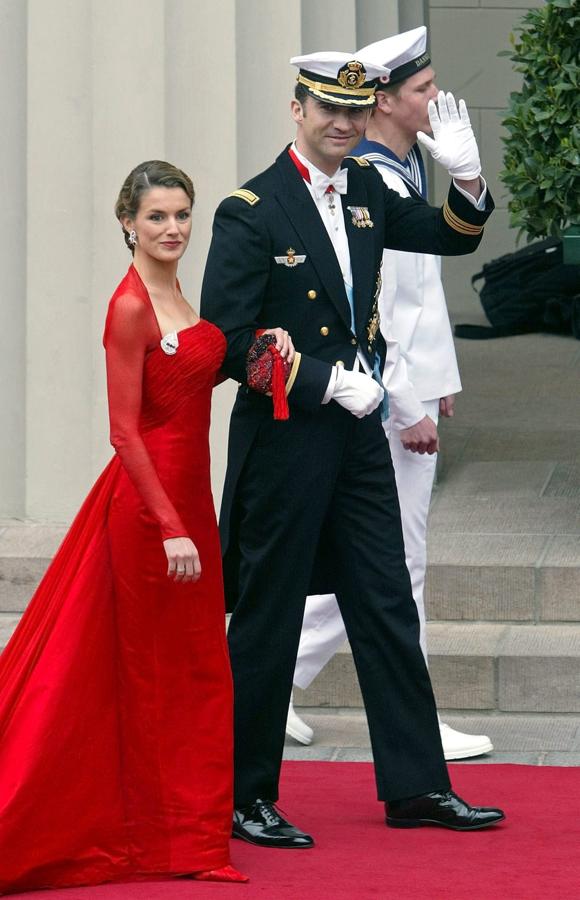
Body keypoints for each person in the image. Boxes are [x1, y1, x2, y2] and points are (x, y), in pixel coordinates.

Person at [201, 52, 505, 848]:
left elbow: (451, 238)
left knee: (386, 604)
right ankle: (244, 796)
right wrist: (323, 384)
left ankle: (416, 787)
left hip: (359, 439)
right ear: (296, 110)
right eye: (326, 109)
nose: (342, 123)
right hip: (286, 439)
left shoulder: (369, 191)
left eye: (354, 111)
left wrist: (469, 183)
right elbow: (226, 346)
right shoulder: (251, 210)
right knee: (267, 618)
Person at [0, 160, 249, 892]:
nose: (173, 229)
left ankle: (190, 833)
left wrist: (261, 358)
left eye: (181, 215)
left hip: (187, 502)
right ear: (127, 224)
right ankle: (152, 836)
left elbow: (194, 374)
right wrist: (170, 524)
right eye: (157, 218)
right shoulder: (131, 306)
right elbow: (124, 431)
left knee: (194, 670)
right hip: (149, 514)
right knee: (146, 671)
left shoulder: (176, 287)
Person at [289, 27, 493, 762]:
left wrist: (435, 386)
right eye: (422, 89)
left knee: (372, 560)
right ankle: (418, 719)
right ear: (384, 102)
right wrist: (408, 403)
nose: (435, 99)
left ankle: (272, 676)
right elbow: (385, 306)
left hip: (403, 393)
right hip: (382, 400)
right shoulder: (375, 179)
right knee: (396, 564)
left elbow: (426, 298)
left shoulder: (401, 170)